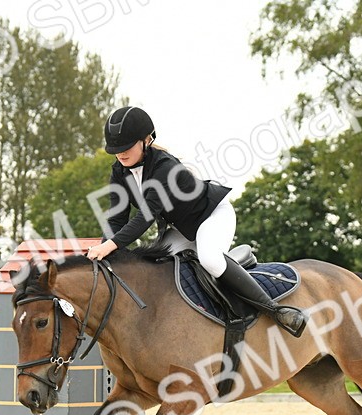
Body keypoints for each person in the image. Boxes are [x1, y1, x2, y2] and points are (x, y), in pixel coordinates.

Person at [85, 106, 306, 337]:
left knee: (210, 259)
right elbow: (117, 218)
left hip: (212, 216)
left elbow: (146, 216)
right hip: (183, 229)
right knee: (156, 268)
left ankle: (275, 310)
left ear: (147, 140)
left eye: (127, 147)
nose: (121, 154)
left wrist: (109, 246)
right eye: (116, 150)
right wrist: (105, 252)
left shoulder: (164, 167)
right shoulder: (119, 172)